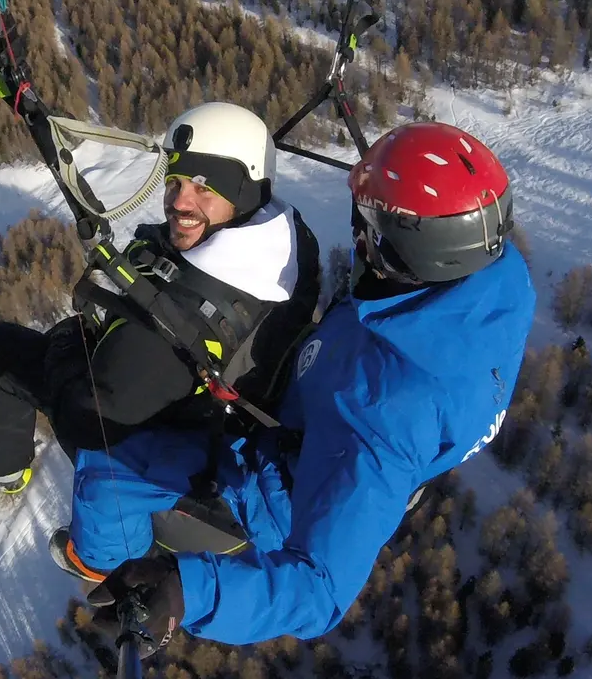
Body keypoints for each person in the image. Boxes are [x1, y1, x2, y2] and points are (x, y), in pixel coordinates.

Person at [62, 121, 536, 651]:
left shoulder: (382, 419)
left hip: (272, 487)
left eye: (367, 226)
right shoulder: (491, 287)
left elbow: (319, 591)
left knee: (103, 470)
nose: (356, 234)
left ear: (410, 250)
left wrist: (183, 593)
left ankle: (102, 565)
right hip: (301, 418)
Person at [0, 102, 321, 498]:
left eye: (204, 187)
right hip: (224, 404)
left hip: (154, 440)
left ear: (244, 191)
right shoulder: (286, 238)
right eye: (175, 182)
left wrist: (68, 341)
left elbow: (87, 422)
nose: (179, 202)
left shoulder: (164, 337)